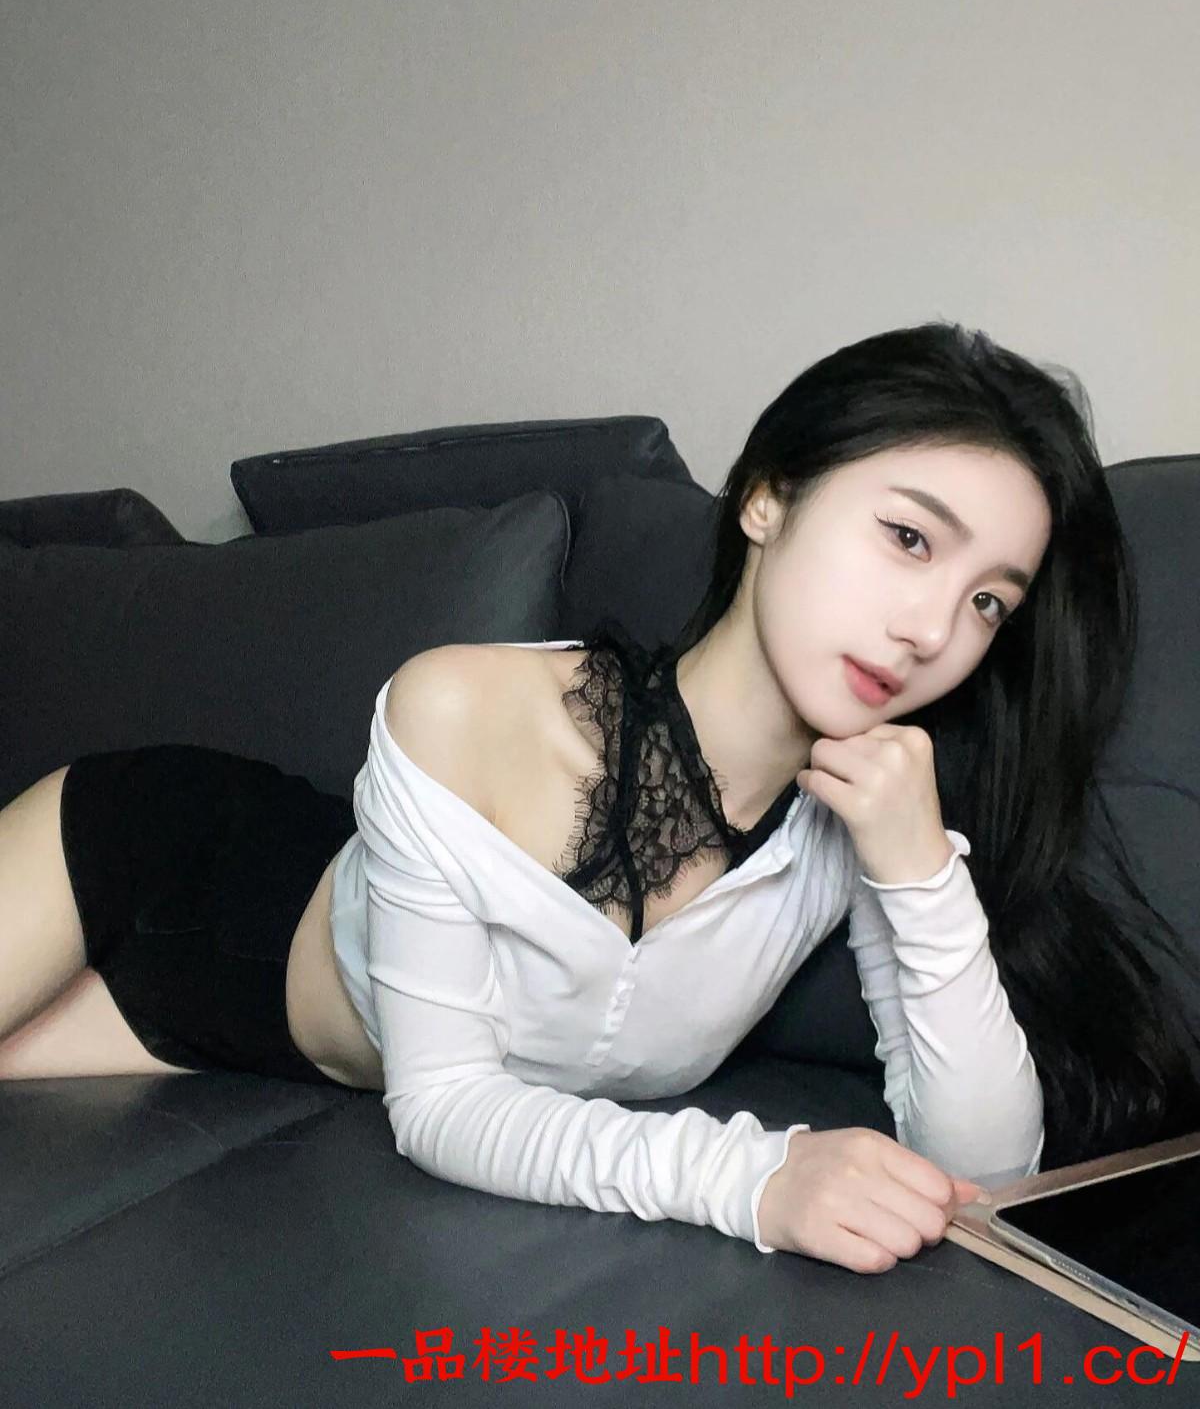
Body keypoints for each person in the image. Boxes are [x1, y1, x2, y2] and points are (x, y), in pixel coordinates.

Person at [2, 323, 1198, 1276]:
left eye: (989, 602)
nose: (934, 628)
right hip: (150, 861)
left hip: (251, 1043)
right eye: (908, 539)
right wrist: (758, 1179)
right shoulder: (459, 705)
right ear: (768, 499)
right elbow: (446, 1106)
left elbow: (986, 1171)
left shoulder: (862, 820)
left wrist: (921, 870)